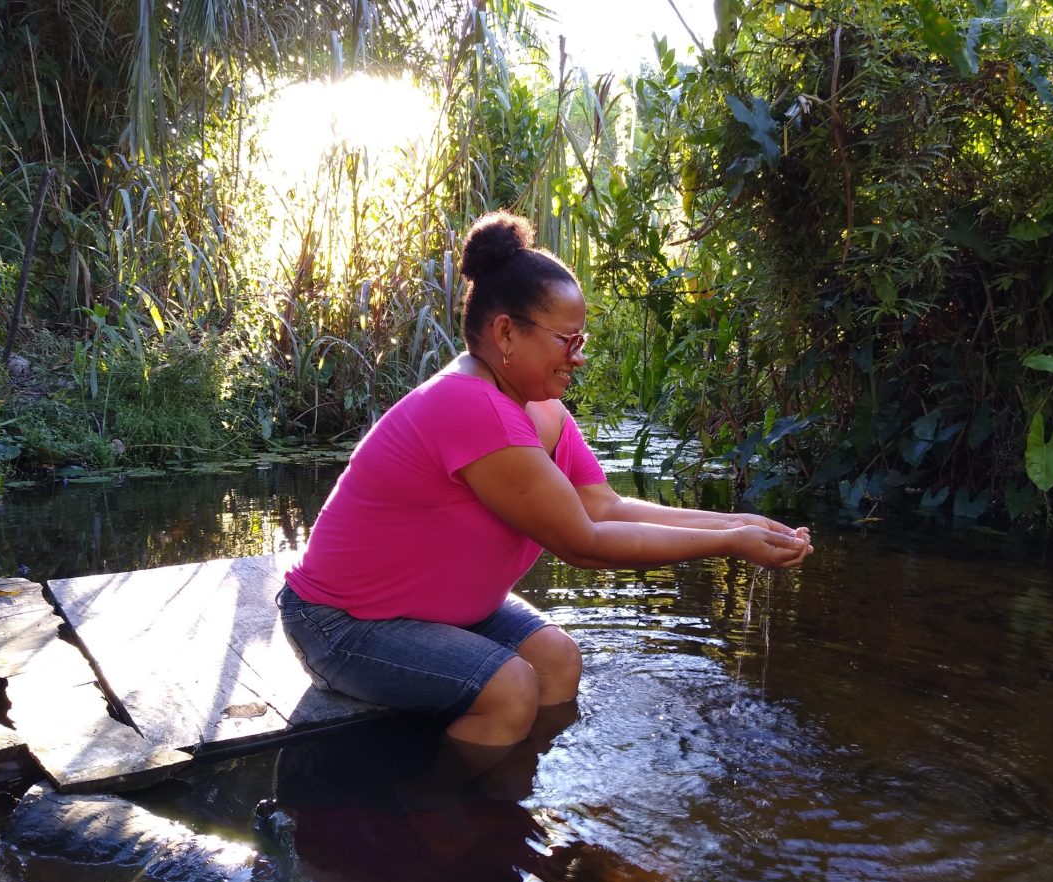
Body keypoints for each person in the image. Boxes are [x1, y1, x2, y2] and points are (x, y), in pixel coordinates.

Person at [279, 210, 812, 755]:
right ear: (506, 331)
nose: (578, 357)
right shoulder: (469, 405)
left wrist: (739, 522)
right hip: (340, 623)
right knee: (509, 688)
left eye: (581, 340)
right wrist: (729, 544)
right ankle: (442, 820)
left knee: (557, 660)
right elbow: (582, 542)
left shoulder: (541, 410)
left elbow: (603, 507)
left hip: (436, 610)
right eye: (566, 340)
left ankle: (515, 797)